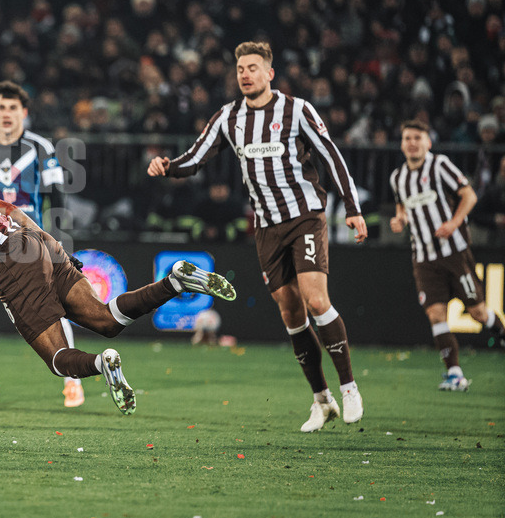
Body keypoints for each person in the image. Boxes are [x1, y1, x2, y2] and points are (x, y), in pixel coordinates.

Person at [0, 122, 236, 415]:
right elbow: (9, 210)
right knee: (106, 320)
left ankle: (101, 365)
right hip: (35, 248)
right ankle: (174, 282)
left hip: (11, 263)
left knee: (59, 361)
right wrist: (53, 246)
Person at [147, 41, 366, 433]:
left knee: (316, 300)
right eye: (240, 69)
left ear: (270, 73)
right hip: (265, 227)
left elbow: (332, 156)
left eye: (253, 67)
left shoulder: (297, 110)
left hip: (305, 218)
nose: (245, 74)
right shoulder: (228, 117)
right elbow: (196, 157)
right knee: (291, 314)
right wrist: (168, 166)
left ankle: (349, 387)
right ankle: (322, 400)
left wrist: (352, 208)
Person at [0, 80, 83, 407]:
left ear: (24, 113)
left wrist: (56, 242)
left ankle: (72, 379)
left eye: (14, 108)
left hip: (29, 241)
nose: (8, 114)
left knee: (49, 310)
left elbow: (56, 197)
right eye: (2, 107)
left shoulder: (42, 147)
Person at [389, 120, 505, 391]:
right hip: (423, 257)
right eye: (407, 138)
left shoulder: (439, 165)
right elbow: (401, 206)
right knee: (436, 315)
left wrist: (453, 223)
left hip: (454, 253)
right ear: (402, 143)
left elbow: (469, 196)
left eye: (418, 137)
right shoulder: (398, 177)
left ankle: (500, 332)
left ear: (428, 142)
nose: (412, 142)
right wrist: (400, 219)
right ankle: (455, 374)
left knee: (477, 312)